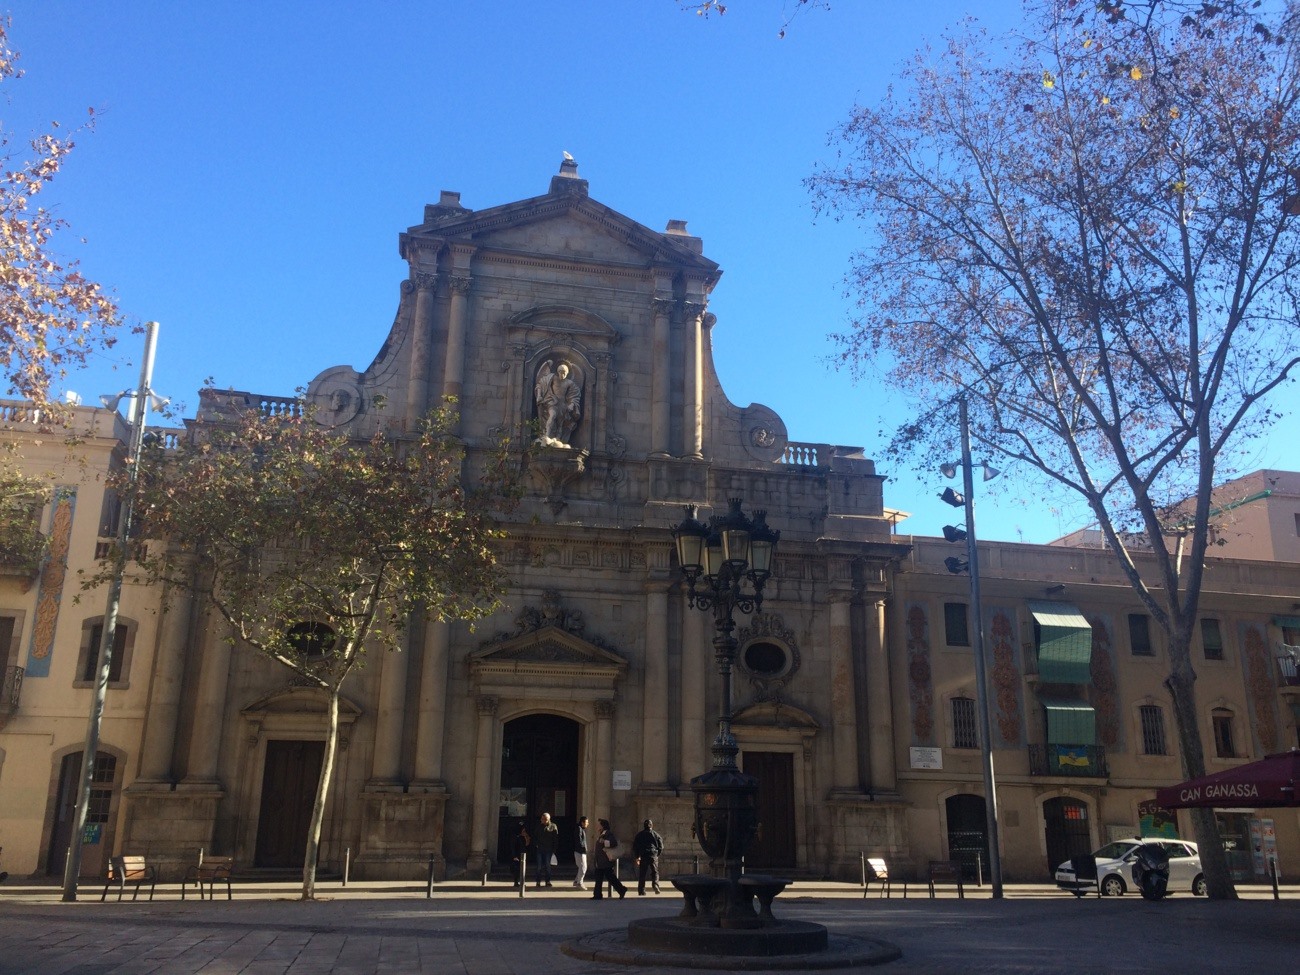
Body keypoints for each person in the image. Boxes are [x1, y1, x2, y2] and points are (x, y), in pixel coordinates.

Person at [534, 360, 581, 447]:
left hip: (563, 405)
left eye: (564, 372)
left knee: (560, 424)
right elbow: (540, 385)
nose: (562, 374)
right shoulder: (551, 378)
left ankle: (558, 439)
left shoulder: (569, 383)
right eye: (560, 372)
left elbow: (575, 396)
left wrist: (572, 404)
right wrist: (539, 395)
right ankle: (547, 436)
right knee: (552, 416)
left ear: (567, 373)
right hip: (552, 402)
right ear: (557, 371)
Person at [592, 818, 626, 900]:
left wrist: (604, 842)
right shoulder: (602, 833)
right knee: (600, 878)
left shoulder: (608, 833)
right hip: (601, 861)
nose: (597, 826)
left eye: (599, 824)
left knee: (610, 877)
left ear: (603, 826)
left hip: (605, 861)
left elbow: (613, 843)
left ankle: (621, 889)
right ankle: (597, 894)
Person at [632, 818, 665, 895]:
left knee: (642, 873)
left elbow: (635, 847)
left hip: (644, 855)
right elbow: (661, 846)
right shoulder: (656, 834)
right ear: (652, 826)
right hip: (653, 854)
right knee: (655, 872)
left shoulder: (639, 835)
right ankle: (655, 885)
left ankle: (641, 890)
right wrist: (657, 854)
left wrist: (637, 856)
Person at [534, 811, 558, 888]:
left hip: (549, 849)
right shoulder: (538, 826)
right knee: (539, 866)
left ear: (548, 819)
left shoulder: (553, 826)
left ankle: (548, 881)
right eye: (542, 819)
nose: (543, 820)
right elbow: (535, 836)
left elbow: (555, 838)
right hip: (540, 849)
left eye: (545, 819)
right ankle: (538, 881)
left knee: (548, 866)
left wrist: (554, 849)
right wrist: (536, 845)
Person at [572, 815, 590, 890]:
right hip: (580, 851)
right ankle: (580, 882)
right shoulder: (579, 829)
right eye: (586, 822)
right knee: (583, 867)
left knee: (581, 866)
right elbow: (579, 841)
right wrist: (583, 848)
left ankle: (576, 880)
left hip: (580, 851)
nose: (587, 824)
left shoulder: (581, 829)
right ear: (582, 822)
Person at [510, 820, 530, 888]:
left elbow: (527, 845)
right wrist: (514, 856)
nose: (524, 831)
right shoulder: (515, 837)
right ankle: (516, 882)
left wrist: (526, 837)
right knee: (517, 870)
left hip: (522, 855)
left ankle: (521, 882)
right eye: (523, 830)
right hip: (517, 856)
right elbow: (513, 847)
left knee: (521, 869)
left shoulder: (523, 836)